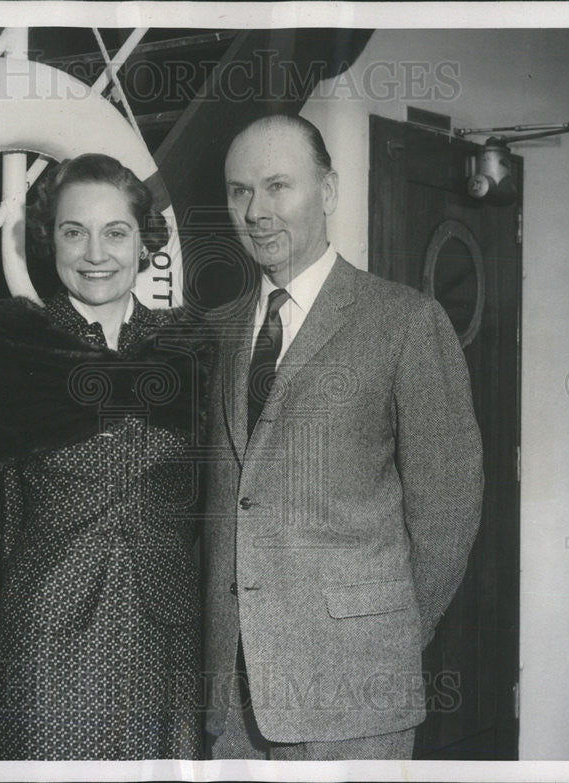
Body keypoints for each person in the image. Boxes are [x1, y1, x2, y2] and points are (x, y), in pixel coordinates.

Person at [203, 114, 484, 760]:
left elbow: (448, 509)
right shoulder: (218, 331)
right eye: (239, 191)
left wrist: (381, 634)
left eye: (278, 186)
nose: (256, 211)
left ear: (326, 192)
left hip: (354, 688)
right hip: (234, 694)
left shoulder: (406, 321)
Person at [0, 153, 204, 760]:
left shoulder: (190, 348)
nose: (95, 254)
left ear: (145, 245)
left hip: (165, 630)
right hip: (50, 632)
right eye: (74, 232)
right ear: (49, 241)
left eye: (116, 233)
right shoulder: (7, 345)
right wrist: (2, 522)